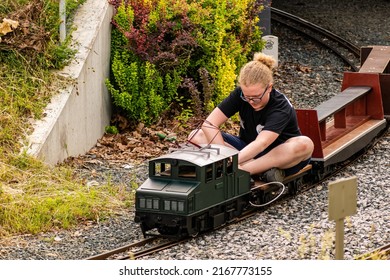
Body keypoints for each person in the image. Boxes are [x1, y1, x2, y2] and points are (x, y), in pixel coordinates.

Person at [188, 52, 314, 182]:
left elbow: (261, 143)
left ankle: (243, 170)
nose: (252, 102)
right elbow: (209, 124)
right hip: (245, 151)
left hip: (278, 156)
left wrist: (233, 161)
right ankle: (247, 170)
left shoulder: (280, 106)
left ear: (269, 88)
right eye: (247, 97)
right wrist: (225, 157)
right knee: (197, 135)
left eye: (257, 97)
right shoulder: (240, 95)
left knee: (305, 144)